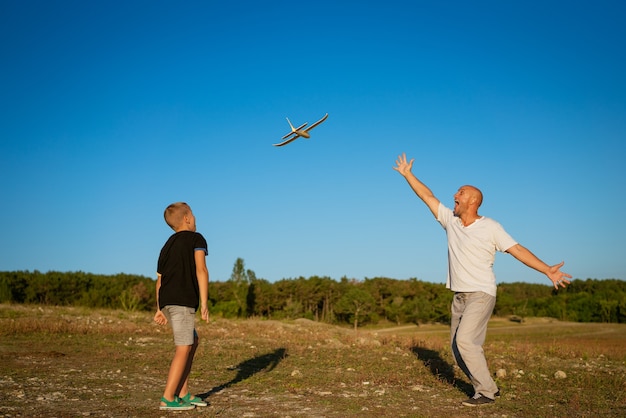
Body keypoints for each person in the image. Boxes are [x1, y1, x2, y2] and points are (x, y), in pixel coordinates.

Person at [393, 153, 571, 407]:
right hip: (459, 295)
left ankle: (485, 392)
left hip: (481, 293)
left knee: (466, 342)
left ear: (474, 200)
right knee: (457, 351)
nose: (455, 194)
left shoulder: (491, 227)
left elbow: (517, 249)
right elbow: (427, 196)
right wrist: (408, 174)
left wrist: (546, 270)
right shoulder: (451, 222)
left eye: (461, 192)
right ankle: (489, 388)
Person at [154, 202, 210, 411]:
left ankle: (183, 392)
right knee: (184, 346)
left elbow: (159, 280)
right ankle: (168, 397)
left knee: (192, 341)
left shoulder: (166, 246)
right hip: (182, 301)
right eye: (193, 214)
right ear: (187, 218)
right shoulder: (197, 238)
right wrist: (204, 302)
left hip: (168, 300)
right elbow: (201, 270)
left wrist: (159, 308)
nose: (195, 217)